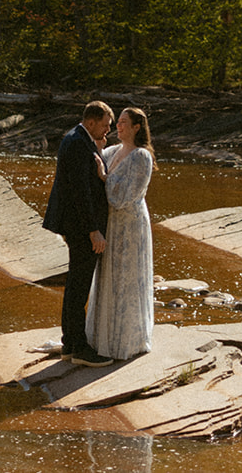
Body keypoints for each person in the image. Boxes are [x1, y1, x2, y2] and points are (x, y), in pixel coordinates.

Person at [42, 100, 114, 367]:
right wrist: (94, 230)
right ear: (91, 121)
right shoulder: (76, 143)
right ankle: (80, 349)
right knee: (78, 287)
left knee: (75, 284)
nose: (108, 131)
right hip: (80, 226)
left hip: (75, 224)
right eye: (105, 125)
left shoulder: (79, 139)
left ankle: (70, 345)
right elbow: (80, 192)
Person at [86, 107, 155, 360]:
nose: (119, 126)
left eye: (124, 122)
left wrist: (105, 177)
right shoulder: (112, 151)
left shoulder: (141, 157)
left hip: (130, 227)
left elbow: (126, 197)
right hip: (110, 225)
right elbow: (91, 164)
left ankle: (126, 340)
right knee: (108, 279)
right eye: (119, 122)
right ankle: (100, 338)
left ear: (137, 127)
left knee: (126, 279)